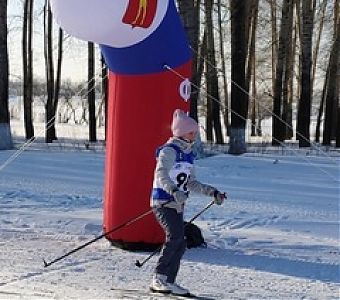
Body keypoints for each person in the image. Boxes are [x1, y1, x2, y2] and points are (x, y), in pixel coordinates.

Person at [149, 109, 226, 296]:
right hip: (163, 202)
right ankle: (158, 278)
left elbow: (191, 182)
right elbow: (161, 175)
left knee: (181, 242)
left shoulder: (189, 154)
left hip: (178, 204)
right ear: (182, 133)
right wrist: (174, 191)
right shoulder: (169, 151)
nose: (195, 135)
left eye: (195, 132)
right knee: (175, 237)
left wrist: (212, 192)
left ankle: (169, 281)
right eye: (192, 132)